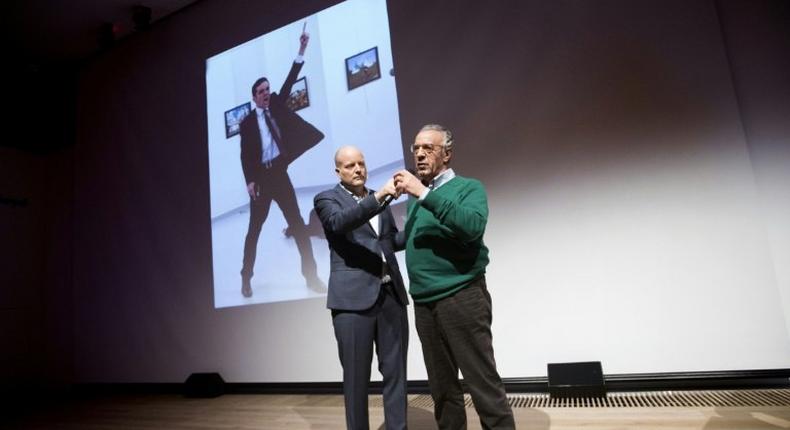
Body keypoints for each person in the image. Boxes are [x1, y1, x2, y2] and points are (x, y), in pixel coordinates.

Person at [394, 124, 515, 429]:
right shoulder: (416, 197)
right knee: (443, 391)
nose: (419, 154)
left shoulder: (468, 188)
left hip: (461, 298)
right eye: (416, 148)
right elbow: (412, 238)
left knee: (483, 384)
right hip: (424, 303)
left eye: (428, 148)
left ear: (447, 153)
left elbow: (471, 227)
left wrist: (422, 192)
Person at [314, 146, 409, 430]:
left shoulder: (375, 200)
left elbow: (388, 241)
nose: (358, 169)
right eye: (350, 165)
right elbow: (340, 223)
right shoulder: (327, 199)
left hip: (390, 294)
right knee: (356, 380)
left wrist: (418, 227)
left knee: (397, 374)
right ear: (338, 171)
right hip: (352, 302)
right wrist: (380, 196)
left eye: (361, 164)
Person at [239, 30, 325, 297]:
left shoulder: (276, 104)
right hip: (262, 181)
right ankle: (246, 278)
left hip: (279, 173)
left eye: (267, 89)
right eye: (260, 91)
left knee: (298, 224)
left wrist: (301, 50)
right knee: (254, 229)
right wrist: (250, 181)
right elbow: (245, 155)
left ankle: (311, 277)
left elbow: (290, 80)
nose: (265, 94)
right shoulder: (247, 123)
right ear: (254, 96)